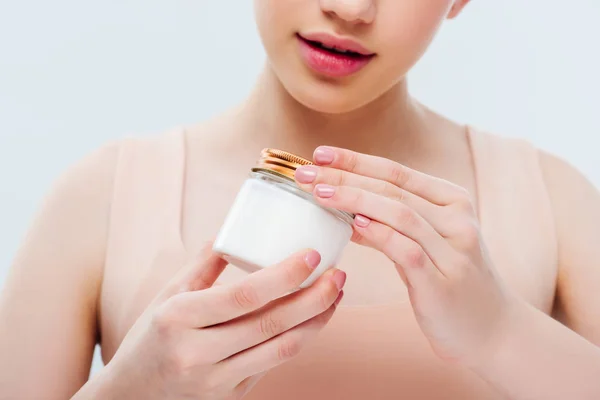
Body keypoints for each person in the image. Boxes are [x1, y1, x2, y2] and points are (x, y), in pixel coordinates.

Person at [1, 0, 600, 399]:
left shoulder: (554, 201)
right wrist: (129, 390)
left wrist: (500, 333)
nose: (351, 7)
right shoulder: (99, 197)